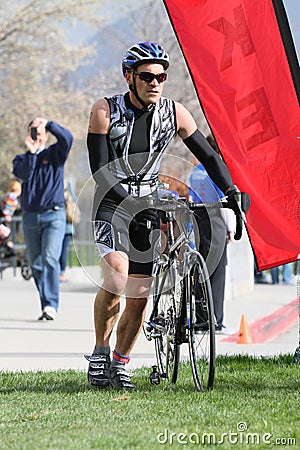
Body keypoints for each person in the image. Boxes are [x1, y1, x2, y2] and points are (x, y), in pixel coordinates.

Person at [86, 42, 238, 390]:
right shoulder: (104, 111)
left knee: (140, 293)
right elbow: (101, 172)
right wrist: (132, 205)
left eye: (161, 76)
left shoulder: (175, 113)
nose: (155, 82)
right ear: (129, 77)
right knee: (118, 277)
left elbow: (209, 156)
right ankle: (99, 352)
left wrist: (231, 190)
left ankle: (121, 363)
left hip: (150, 201)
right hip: (112, 201)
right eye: (147, 76)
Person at [12, 117, 73, 320]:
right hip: (30, 217)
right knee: (36, 263)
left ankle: (50, 305)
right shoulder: (21, 159)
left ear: (46, 134)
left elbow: (68, 138)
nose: (36, 134)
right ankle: (46, 302)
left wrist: (49, 123)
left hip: (54, 215)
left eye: (39, 131)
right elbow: (23, 174)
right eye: (32, 131)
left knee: (49, 258)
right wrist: (31, 152)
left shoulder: (55, 154)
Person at [188, 135, 236, 334]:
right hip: (215, 219)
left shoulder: (195, 171)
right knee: (218, 272)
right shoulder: (217, 170)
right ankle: (215, 320)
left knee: (201, 269)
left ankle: (200, 320)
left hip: (198, 218)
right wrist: (231, 228)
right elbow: (224, 201)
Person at [59, 180, 78, 282]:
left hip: (65, 226)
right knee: (61, 250)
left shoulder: (65, 183)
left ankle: (60, 273)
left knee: (60, 251)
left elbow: (74, 201)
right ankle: (60, 273)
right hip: (66, 226)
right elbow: (74, 200)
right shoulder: (67, 183)